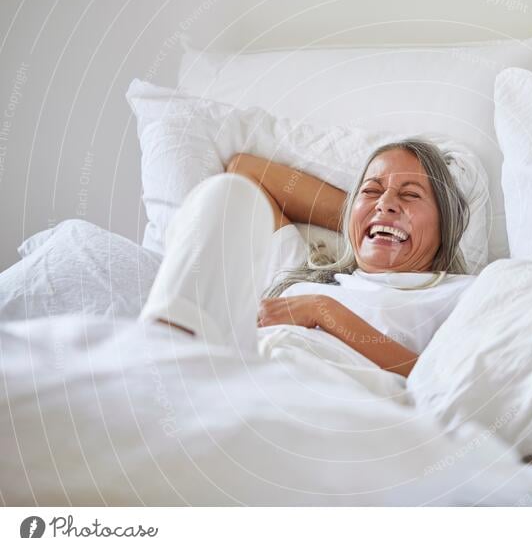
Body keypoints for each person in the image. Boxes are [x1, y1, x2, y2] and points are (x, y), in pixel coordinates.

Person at [138, 138, 474, 377]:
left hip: (319, 394)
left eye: (411, 195)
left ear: (446, 224)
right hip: (234, 363)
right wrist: (367, 218)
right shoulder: (305, 273)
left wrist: (323, 311)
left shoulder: (464, 293)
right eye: (370, 190)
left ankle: (158, 372)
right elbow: (245, 173)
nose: (385, 201)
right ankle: (160, 358)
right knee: (228, 194)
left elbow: (445, 385)